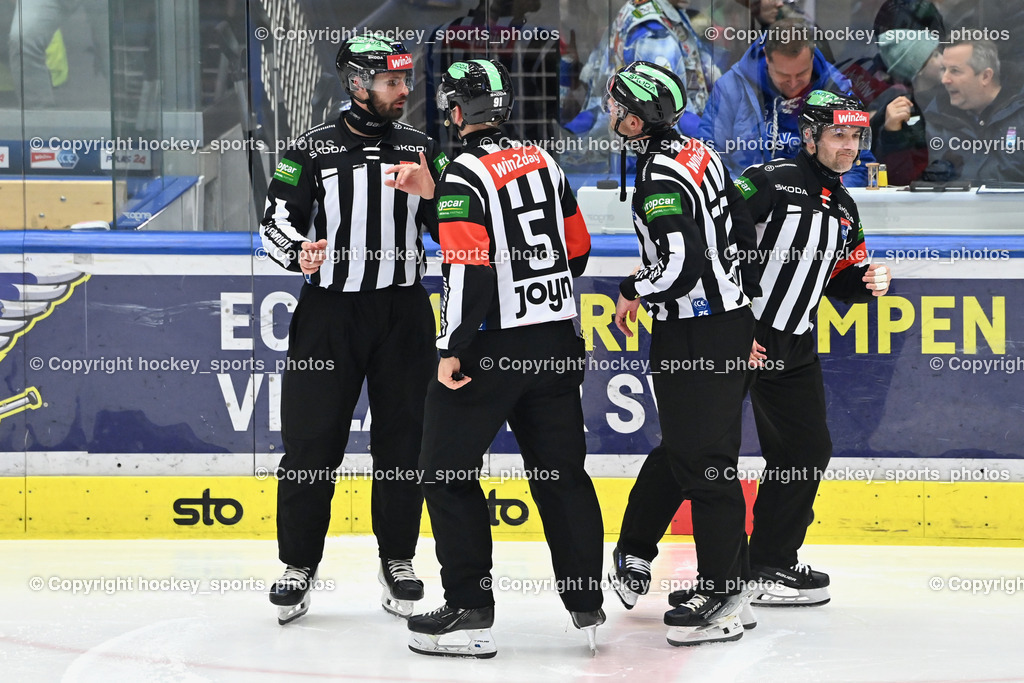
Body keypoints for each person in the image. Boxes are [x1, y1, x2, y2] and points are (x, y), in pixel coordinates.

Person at [610, 90, 892, 615]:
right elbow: (720, 238)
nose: (849, 147)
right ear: (810, 137)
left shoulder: (846, 207)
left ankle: (768, 561)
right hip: (742, 338)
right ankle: (633, 551)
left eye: (856, 137)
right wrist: (742, 325)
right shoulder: (771, 179)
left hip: (794, 345)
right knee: (690, 450)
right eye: (838, 135)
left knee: (805, 453)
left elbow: (838, 279)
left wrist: (865, 281)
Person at [408, 59, 604, 658]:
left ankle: (470, 608)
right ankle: (585, 603)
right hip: (554, 340)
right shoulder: (544, 160)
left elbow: (467, 268)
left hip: (491, 349)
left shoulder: (463, 173)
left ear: (459, 112)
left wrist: (453, 347)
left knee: (443, 472)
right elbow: (578, 247)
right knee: (560, 474)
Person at [259, 35, 446, 625]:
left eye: (404, 80)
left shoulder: (422, 147)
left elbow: (460, 224)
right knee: (311, 446)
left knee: (403, 443)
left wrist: (434, 192)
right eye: (391, 82)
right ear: (357, 84)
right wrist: (297, 253)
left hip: (403, 314)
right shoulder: (309, 151)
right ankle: (298, 566)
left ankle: (399, 560)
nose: (403, 90)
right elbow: (273, 222)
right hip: (329, 316)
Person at [606, 60, 761, 646]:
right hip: (722, 324)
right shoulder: (699, 151)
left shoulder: (658, 179)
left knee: (705, 462)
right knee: (689, 449)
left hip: (693, 333)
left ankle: (722, 592)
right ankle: (639, 552)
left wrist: (631, 287)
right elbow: (741, 233)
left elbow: (680, 266)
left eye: (621, 106)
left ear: (640, 118)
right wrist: (739, 308)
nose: (614, 115)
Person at [698, 18, 877, 187]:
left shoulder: (837, 89)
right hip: (749, 203)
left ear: (812, 57)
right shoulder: (732, 87)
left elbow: (859, 163)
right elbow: (709, 156)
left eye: (801, 74)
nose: (793, 83)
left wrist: (829, 195)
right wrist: (743, 196)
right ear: (767, 58)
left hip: (816, 205)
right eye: (783, 75)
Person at [565, 0, 719, 147]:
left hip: (630, 141)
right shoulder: (653, 31)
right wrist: (710, 142)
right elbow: (664, 109)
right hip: (655, 150)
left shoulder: (635, 12)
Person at [924, 40, 1024, 183]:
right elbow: (903, 182)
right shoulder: (935, 117)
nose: (944, 79)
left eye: (955, 71)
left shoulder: (1019, 114)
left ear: (985, 76)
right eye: (943, 70)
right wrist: (892, 136)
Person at [871, 29, 943, 185]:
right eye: (935, 55)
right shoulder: (900, 108)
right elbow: (895, 175)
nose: (944, 60)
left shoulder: (951, 99)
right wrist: (892, 131)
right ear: (919, 69)